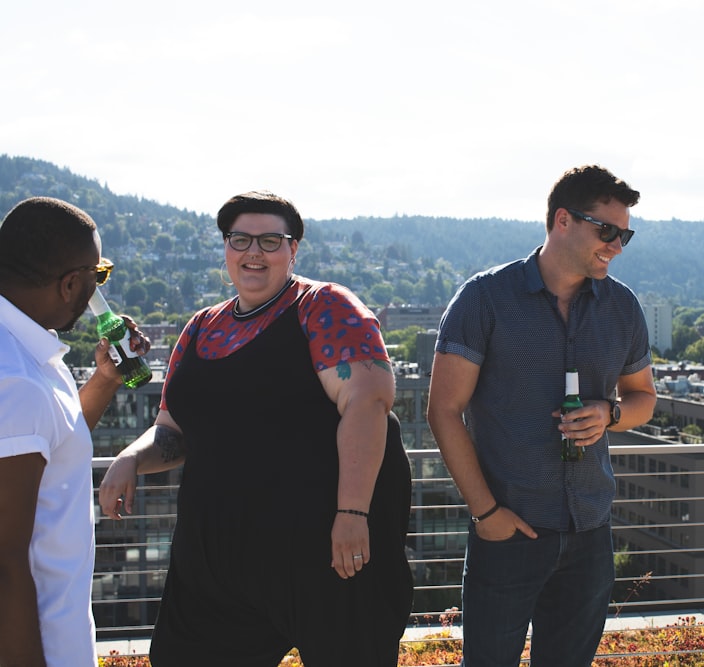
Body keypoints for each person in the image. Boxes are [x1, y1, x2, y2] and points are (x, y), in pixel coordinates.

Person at [98, 190, 413, 666]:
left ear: (293, 249)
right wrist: (130, 457)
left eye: (270, 241)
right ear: (225, 247)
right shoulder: (201, 327)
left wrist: (353, 514)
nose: (253, 253)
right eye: (240, 239)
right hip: (214, 561)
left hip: (321, 554)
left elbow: (368, 403)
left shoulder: (324, 307)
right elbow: (174, 429)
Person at [426, 165, 657, 667]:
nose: (617, 245)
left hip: (591, 532)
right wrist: (487, 515)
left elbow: (644, 397)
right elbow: (442, 410)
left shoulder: (623, 307)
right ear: (562, 220)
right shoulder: (485, 298)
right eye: (608, 231)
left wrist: (609, 413)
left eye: (626, 235)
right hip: (509, 531)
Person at [0, 197, 149, 667]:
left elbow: (53, 442)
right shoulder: (16, 380)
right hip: (40, 644)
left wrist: (105, 379)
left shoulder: (27, 353)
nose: (97, 291)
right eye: (97, 276)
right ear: (69, 284)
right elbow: (4, 562)